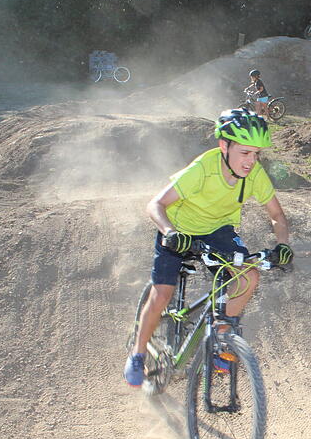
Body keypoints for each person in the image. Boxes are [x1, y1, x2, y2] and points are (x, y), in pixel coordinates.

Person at [124, 108, 293, 387]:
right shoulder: (203, 168)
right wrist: (170, 232)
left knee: (249, 276)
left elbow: (277, 215)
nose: (251, 161)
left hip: (217, 231)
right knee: (162, 294)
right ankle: (138, 354)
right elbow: (155, 204)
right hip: (179, 229)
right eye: (244, 153)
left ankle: (221, 339)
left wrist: (283, 244)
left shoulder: (254, 175)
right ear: (224, 146)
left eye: (256, 154)